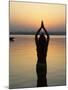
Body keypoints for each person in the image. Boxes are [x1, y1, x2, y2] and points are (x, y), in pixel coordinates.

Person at [35, 21, 50, 87]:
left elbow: (35, 36)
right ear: (44, 39)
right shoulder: (45, 45)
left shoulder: (38, 45)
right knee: (44, 80)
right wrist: (43, 28)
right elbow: (48, 37)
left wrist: (40, 28)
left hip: (39, 64)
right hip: (44, 64)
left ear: (39, 39)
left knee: (39, 80)